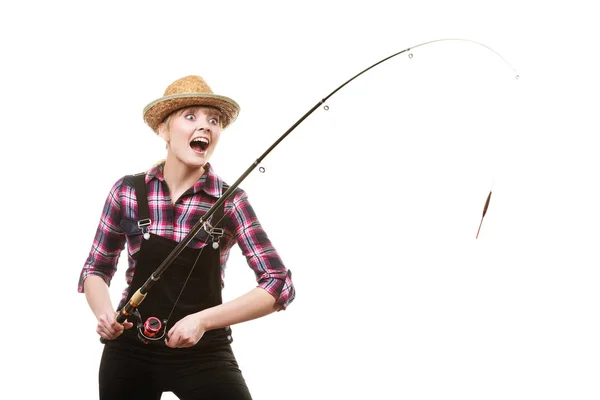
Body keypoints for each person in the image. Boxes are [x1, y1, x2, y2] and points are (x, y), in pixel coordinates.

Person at [78, 75, 295, 399]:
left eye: (214, 120)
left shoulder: (231, 202)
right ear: (164, 130)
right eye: (190, 116)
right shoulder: (127, 192)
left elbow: (278, 283)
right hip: (129, 349)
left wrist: (203, 321)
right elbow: (96, 268)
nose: (205, 126)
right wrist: (105, 315)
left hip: (205, 354)